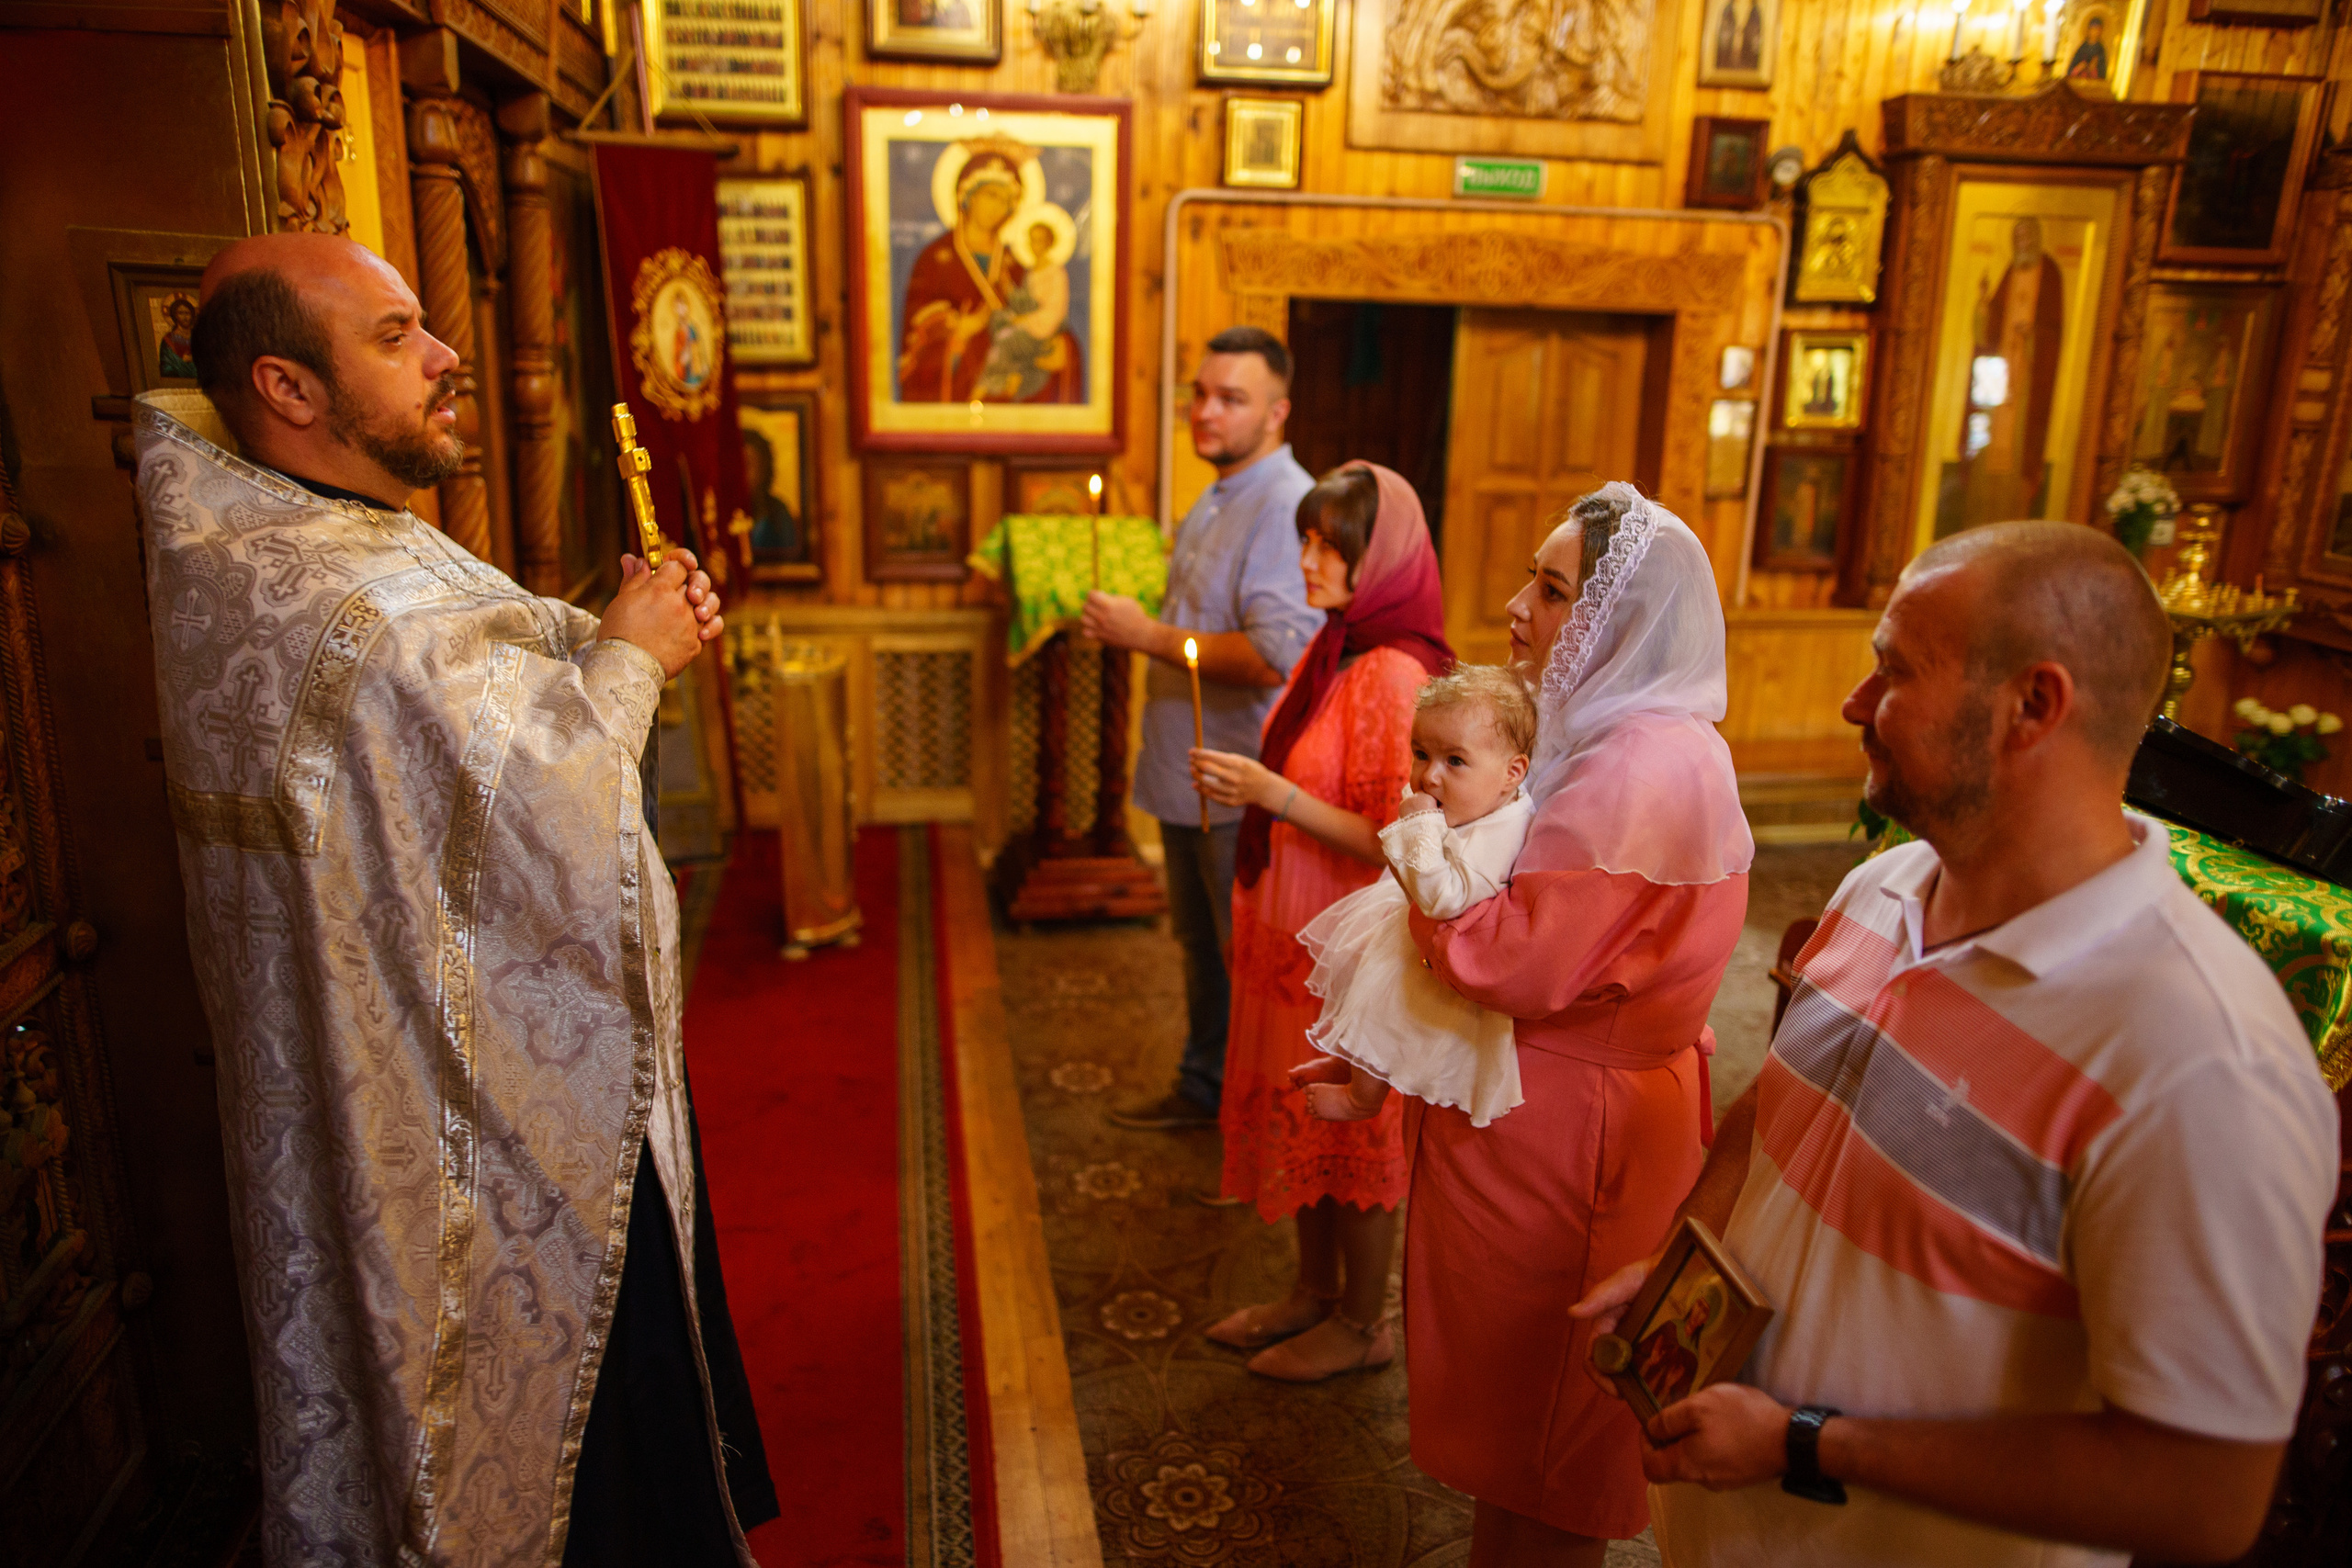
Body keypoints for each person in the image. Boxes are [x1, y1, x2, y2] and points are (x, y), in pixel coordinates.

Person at [152, 231, 775, 1565]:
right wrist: (631, 660)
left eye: (424, 324)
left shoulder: (306, 543)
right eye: (393, 337)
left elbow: (454, 742)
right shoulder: (341, 599)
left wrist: (592, 631)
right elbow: (530, 818)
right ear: (290, 386)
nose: (444, 359)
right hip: (481, 1145)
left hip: (445, 1083)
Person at [1581, 523, 2339, 1568]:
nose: (1854, 704)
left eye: (1891, 671)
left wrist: (1807, 1443)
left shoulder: (2199, 1061)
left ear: (2033, 705)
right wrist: (1683, 1270)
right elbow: (1783, 1104)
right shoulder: (1880, 889)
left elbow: (2199, 1494)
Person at [1404, 482, 1754, 1566]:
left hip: (1567, 1134)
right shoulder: (1649, 738)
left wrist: (1422, 866)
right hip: (1580, 1107)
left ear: (1622, 621)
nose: (1516, 607)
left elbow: (1506, 958)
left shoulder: (1631, 769)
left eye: (1552, 591)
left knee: (1545, 1427)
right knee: (1526, 1430)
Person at [1188, 462, 1452, 1380]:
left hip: (1352, 945)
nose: (1304, 558)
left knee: (1351, 1127)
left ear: (1375, 561)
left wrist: (1272, 794)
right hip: (1300, 932)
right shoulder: (1336, 644)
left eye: (1325, 545)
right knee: (1309, 1113)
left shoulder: (1391, 671)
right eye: (1304, 538)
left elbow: (1400, 839)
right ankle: (1310, 1294)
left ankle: (1361, 1323)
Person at [1083, 326, 1322, 1130]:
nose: (1207, 411)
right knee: (1200, 944)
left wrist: (1141, 632)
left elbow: (1272, 653)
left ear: (1278, 412)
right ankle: (1204, 1091)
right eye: (1200, 392)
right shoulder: (1223, 491)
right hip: (1193, 770)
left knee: (1243, 955)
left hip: (1240, 775)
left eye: (1232, 398)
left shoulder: (1285, 503)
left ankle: (1254, 1118)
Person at [1294, 664, 1537, 1128]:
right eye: (1421, 754)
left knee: (1387, 1011)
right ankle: (1352, 1060)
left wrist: (1419, 826)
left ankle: (1363, 1098)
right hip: (1414, 926)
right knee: (1364, 988)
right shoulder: (1482, 798)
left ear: (1512, 773)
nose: (1429, 777)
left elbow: (1444, 900)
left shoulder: (1504, 832)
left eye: (1455, 761)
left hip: (1443, 956)